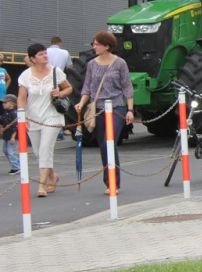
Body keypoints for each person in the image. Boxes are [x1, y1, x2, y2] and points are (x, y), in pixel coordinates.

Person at [74, 31, 134, 194]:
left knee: (110, 141)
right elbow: (87, 87)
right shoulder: (92, 64)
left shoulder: (120, 63)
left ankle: (114, 183)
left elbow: (127, 87)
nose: (94, 46)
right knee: (103, 145)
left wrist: (130, 110)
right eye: (93, 43)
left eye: (97, 44)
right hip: (98, 108)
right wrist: (81, 102)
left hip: (116, 107)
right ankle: (110, 181)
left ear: (107, 46)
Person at [17, 43, 73, 197]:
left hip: (52, 116)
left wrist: (60, 93)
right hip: (33, 117)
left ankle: (42, 185)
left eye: (45, 53)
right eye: (41, 54)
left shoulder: (56, 72)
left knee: (45, 148)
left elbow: (69, 88)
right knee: (38, 152)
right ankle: (52, 176)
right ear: (32, 58)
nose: (45, 56)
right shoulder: (25, 75)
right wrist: (21, 115)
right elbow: (21, 98)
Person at [0, 94, 20, 175]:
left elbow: (16, 126)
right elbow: (2, 122)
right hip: (6, 135)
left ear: (12, 104)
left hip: (12, 136)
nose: (3, 104)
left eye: (5, 102)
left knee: (11, 152)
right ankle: (16, 164)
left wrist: (13, 137)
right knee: (5, 150)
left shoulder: (14, 113)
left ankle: (16, 167)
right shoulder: (6, 112)